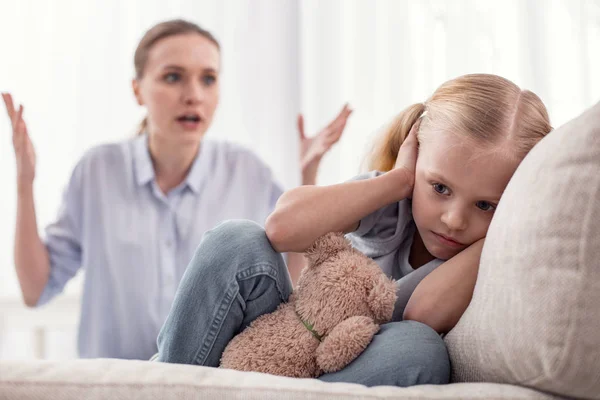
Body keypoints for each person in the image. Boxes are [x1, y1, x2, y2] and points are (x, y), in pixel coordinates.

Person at [154, 74, 553, 387]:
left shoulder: (491, 252)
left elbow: (422, 313)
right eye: (439, 188)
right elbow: (281, 229)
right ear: (416, 163)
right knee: (236, 239)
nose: (454, 219)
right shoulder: (394, 203)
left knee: (420, 349)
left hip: (345, 370)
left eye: (485, 205)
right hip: (280, 338)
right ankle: (165, 384)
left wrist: (504, 227)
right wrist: (396, 182)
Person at [2, 19, 352, 360]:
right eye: (173, 77)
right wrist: (24, 183)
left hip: (206, 385)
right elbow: (36, 289)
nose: (193, 95)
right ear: (137, 89)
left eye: (208, 79)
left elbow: (286, 288)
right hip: (111, 385)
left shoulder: (247, 171)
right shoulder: (97, 171)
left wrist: (308, 177)